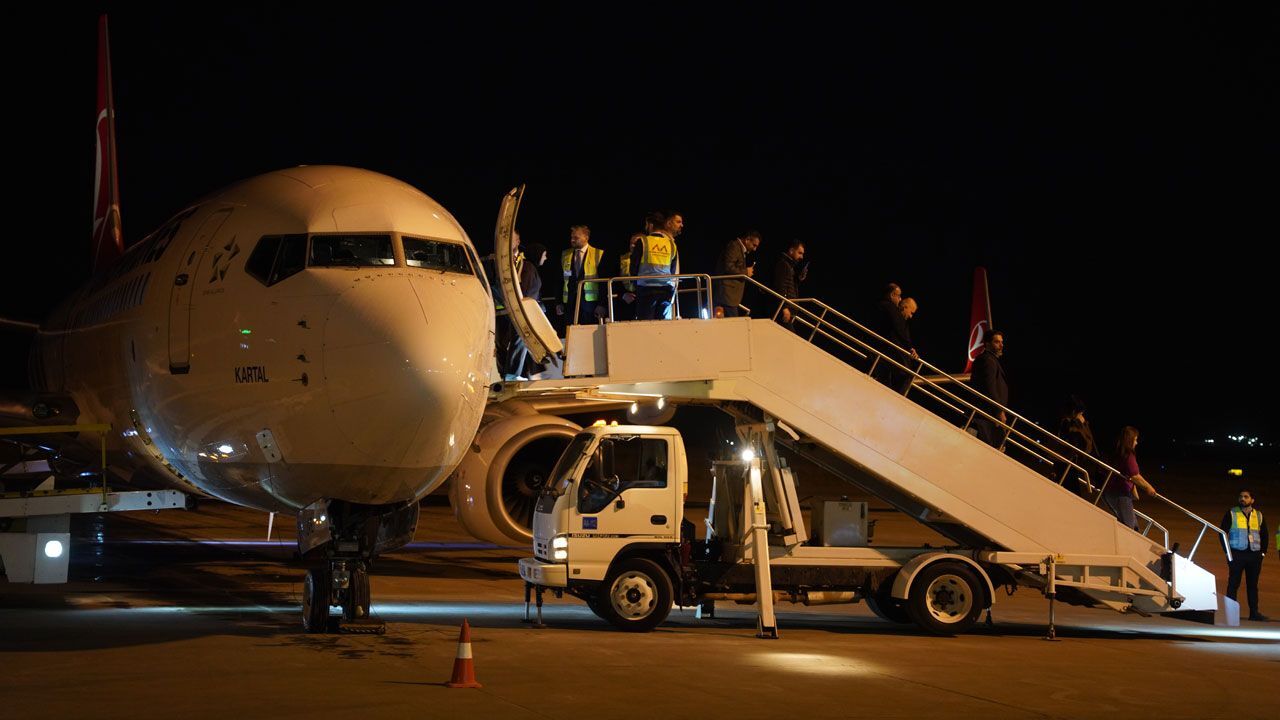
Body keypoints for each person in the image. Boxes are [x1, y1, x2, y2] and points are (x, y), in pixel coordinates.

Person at [1221, 490, 1269, 621]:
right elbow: (1222, 533)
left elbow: (1265, 535)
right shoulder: (1232, 513)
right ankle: (1230, 613)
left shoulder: (1258, 515)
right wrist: (1227, 552)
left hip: (1254, 555)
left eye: (1246, 497)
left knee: (1253, 585)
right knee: (1233, 584)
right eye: (1241, 496)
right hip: (1237, 554)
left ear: (1252, 500)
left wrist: (1262, 553)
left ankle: (1254, 613)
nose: (1242, 498)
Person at [505, 242, 547, 380]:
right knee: (520, 341)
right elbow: (527, 292)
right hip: (526, 311)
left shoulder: (530, 267)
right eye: (544, 255)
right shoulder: (529, 268)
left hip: (529, 311)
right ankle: (513, 374)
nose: (545, 258)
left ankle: (523, 373)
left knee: (524, 342)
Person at [1102, 426, 1157, 530]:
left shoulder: (1117, 452)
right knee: (1130, 528)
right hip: (1120, 494)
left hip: (1110, 492)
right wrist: (1148, 487)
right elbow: (1134, 475)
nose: (1136, 443)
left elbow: (1133, 474)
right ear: (1129, 440)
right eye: (1135, 440)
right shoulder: (1128, 455)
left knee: (1133, 526)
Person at [631, 210, 682, 320]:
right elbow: (673, 271)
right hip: (666, 291)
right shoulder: (671, 244)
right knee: (662, 324)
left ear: (650, 225)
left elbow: (634, 267)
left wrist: (635, 284)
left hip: (646, 290)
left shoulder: (643, 242)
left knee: (645, 324)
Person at [556, 225, 606, 326]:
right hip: (570, 304)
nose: (572, 240)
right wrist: (558, 302)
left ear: (586, 238)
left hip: (591, 305)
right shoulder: (565, 254)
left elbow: (604, 282)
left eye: (576, 237)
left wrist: (602, 304)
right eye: (571, 237)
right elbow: (559, 280)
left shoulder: (598, 254)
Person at [966, 329, 1008, 448]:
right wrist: (999, 411)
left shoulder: (990, 360)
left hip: (986, 417)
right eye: (997, 342)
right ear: (987, 344)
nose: (1001, 345)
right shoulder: (988, 360)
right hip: (986, 417)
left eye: (1002, 342)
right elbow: (990, 387)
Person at [1054, 395, 1097, 498]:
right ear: (1074, 411)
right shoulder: (1068, 424)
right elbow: (1087, 445)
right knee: (1074, 496)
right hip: (1065, 464)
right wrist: (1082, 424)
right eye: (1080, 413)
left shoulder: (1067, 423)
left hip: (1067, 464)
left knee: (1071, 495)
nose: (1082, 416)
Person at [714, 230, 761, 317]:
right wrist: (746, 272)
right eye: (754, 245)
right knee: (733, 323)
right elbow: (728, 267)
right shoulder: (734, 246)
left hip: (730, 298)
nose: (755, 249)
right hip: (727, 296)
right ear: (747, 240)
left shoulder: (739, 248)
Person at [772, 239, 806, 326]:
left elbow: (788, 285)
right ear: (791, 251)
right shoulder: (783, 264)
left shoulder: (790, 266)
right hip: (783, 311)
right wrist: (784, 307)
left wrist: (798, 279)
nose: (801, 257)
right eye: (800, 253)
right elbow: (780, 287)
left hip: (787, 310)